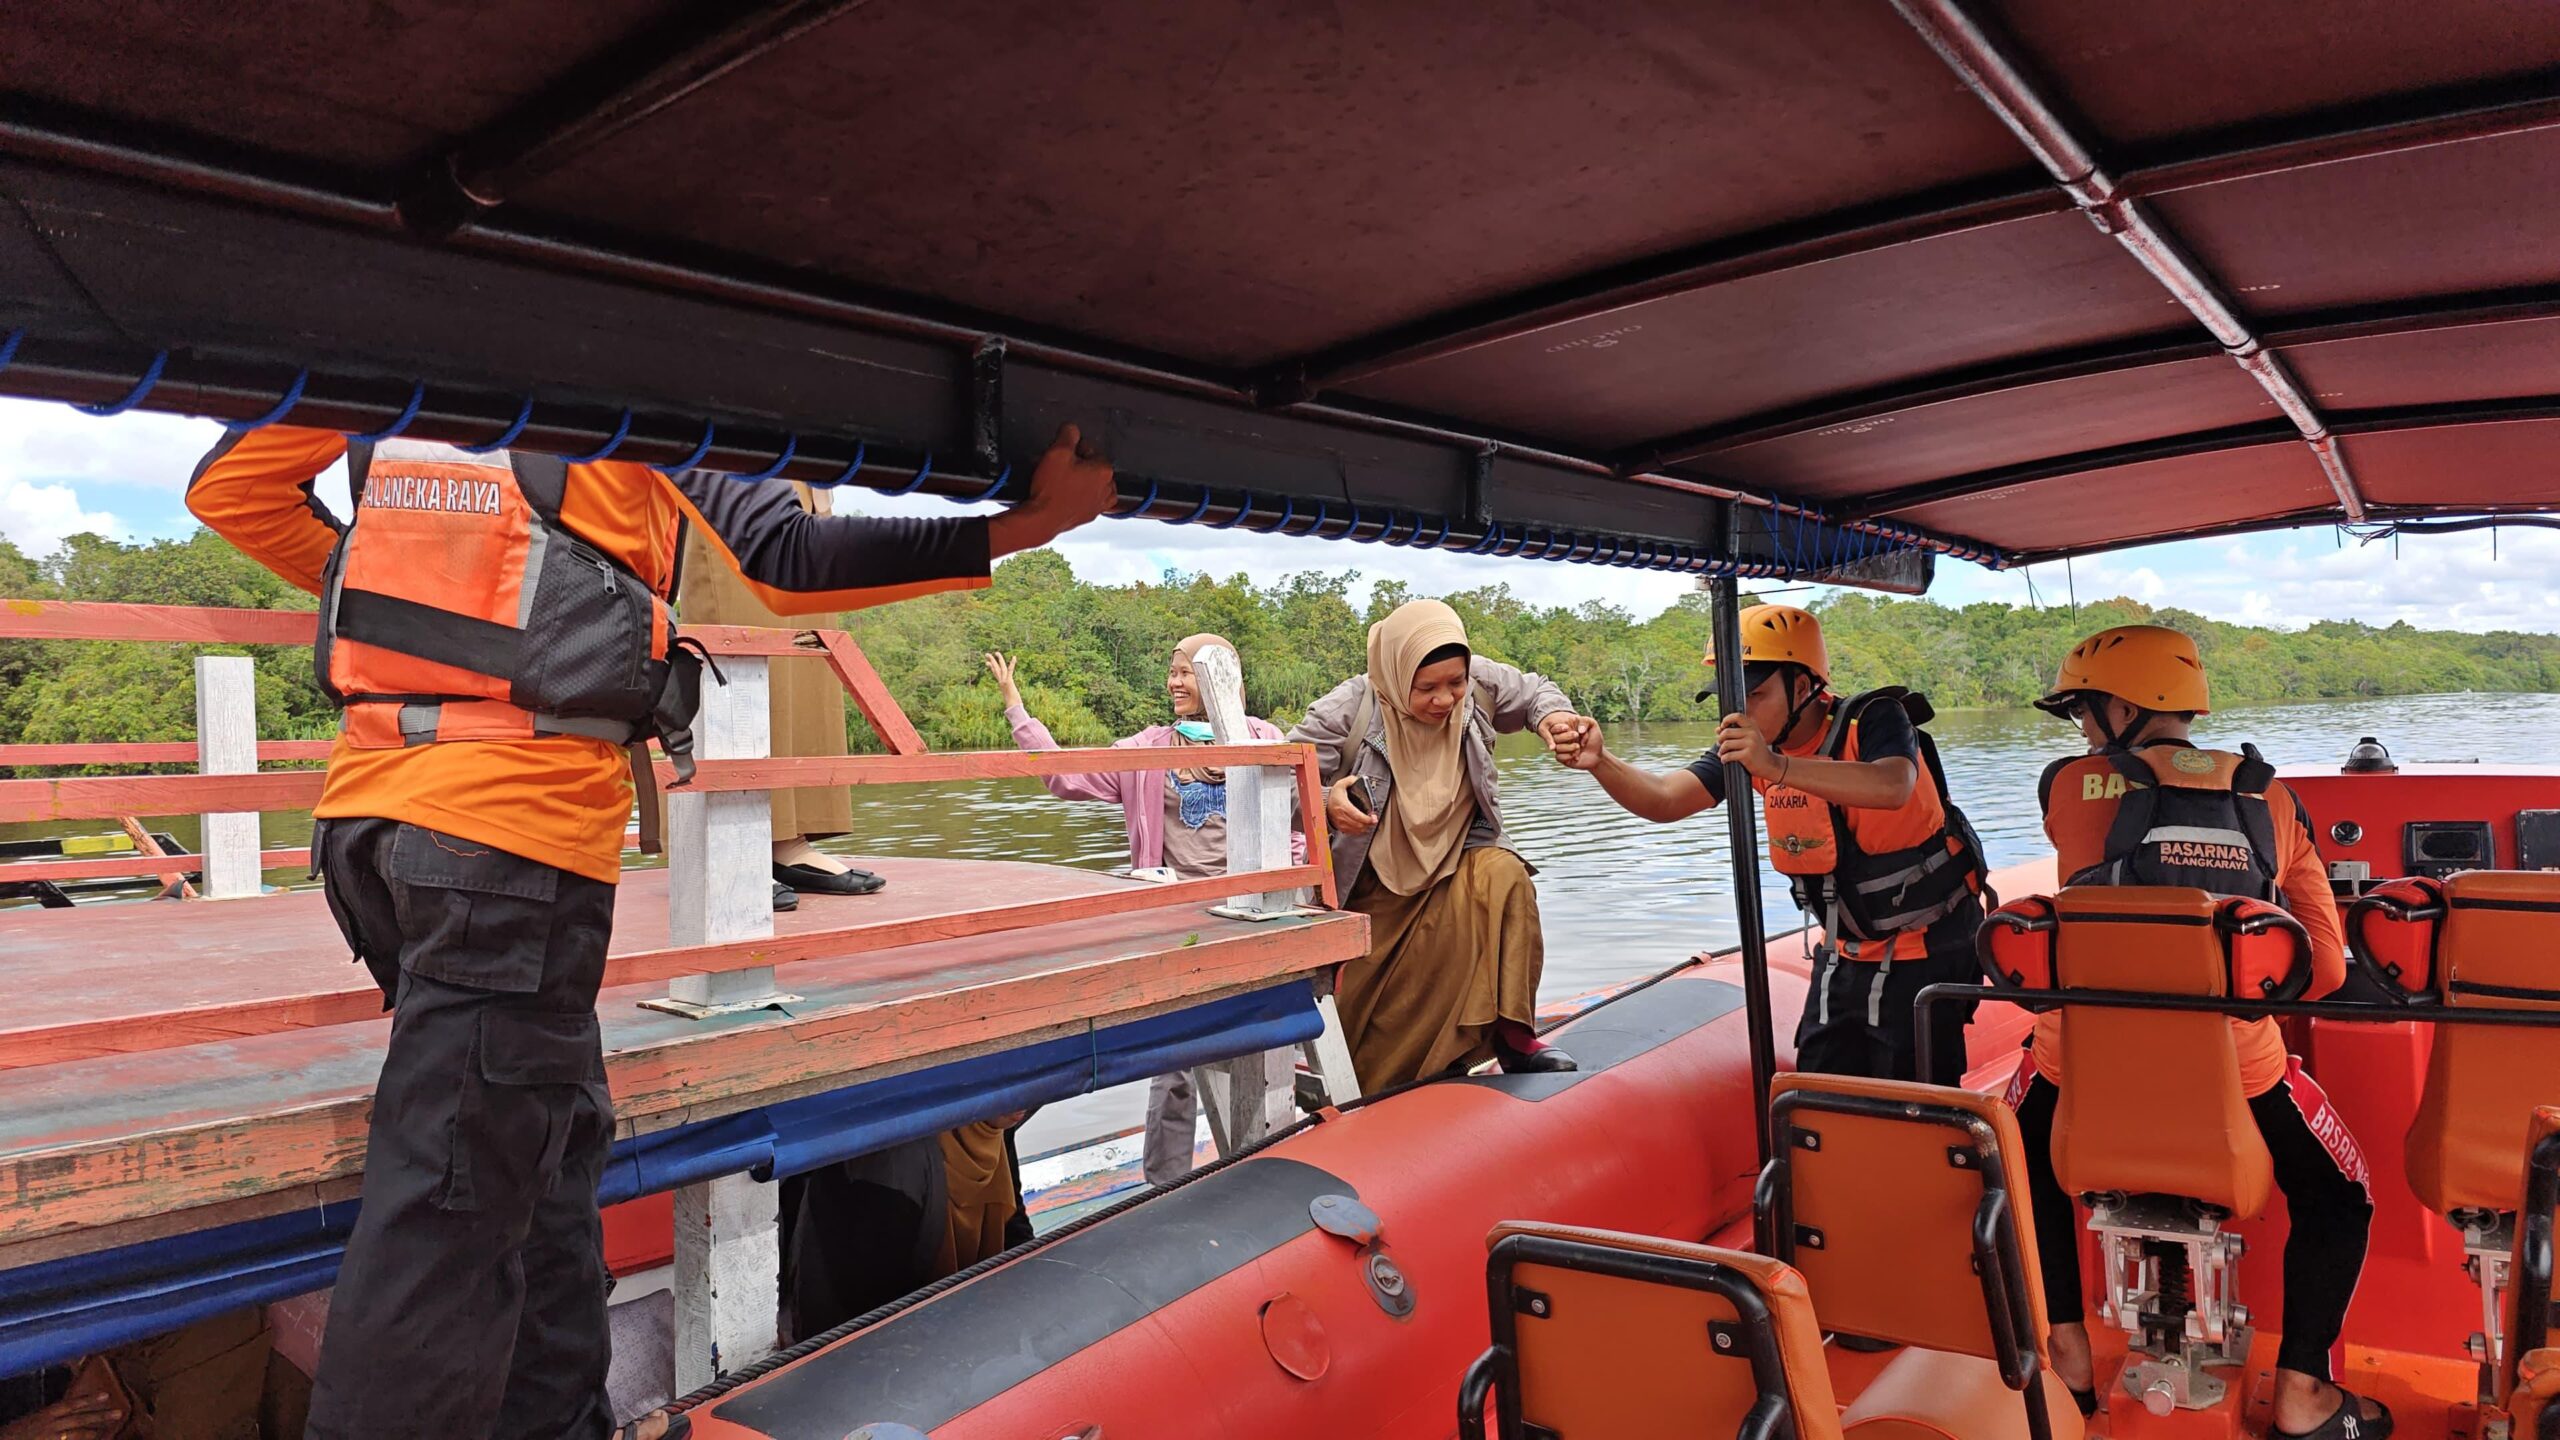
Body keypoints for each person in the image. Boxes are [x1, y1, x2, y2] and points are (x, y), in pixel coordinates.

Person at [187, 421, 1117, 1440]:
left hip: (367, 829)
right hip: (505, 847)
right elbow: (788, 558)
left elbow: (230, 493)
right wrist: (1026, 525)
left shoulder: (384, 374)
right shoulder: (636, 385)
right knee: (448, 1206)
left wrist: (400, 579)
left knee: (550, 1154)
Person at [2015, 624, 2383, 1440]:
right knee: (2343, 1195)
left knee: (2016, 1157)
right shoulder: (2271, 797)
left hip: (2082, 1067)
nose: (2079, 727)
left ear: (2121, 707)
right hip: (2236, 1072)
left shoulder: (2065, 786)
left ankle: (2068, 1353)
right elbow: (2324, 969)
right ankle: (2303, 1392)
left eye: (2081, 709)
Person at [1558, 604, 1990, 1086]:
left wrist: (1775, 766)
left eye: (1756, 694)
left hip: (1930, 948)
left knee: (1915, 1095)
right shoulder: (1749, 745)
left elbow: (1893, 784)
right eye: (1731, 697)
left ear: (1802, 687)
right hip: (1844, 954)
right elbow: (1665, 799)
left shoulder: (1873, 718)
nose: (1740, 711)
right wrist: (1602, 762)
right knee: (1820, 1089)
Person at [988, 634, 1300, 1183]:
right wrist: (1017, 708)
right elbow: (1066, 776)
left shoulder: (1262, 738)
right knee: (1173, 1064)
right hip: (1179, 920)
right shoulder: (1148, 749)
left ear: (1221, 678)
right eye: (1172, 671)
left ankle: (1263, 1169)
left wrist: (1287, 884)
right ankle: (1164, 1183)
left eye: (1187, 671)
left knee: (1263, 1047)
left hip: (1250, 915)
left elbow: (1292, 820)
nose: (1174, 682)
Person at [1289, 598, 1588, 1088]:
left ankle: (1515, 1037)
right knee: (1368, 1028)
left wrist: (1554, 718)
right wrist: (1325, 803)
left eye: (1455, 683)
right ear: (1394, 674)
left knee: (1505, 875)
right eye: (1425, 688)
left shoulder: (1481, 684)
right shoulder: (1346, 710)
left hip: (1457, 860)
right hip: (1374, 883)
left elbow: (1536, 692)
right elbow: (1275, 780)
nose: (1445, 699)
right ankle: (1372, 1095)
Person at [672, 480, 884, 911]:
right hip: (728, 467)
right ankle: (729, 842)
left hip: (800, 472)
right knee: (738, 637)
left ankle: (787, 839)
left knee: (806, 655)